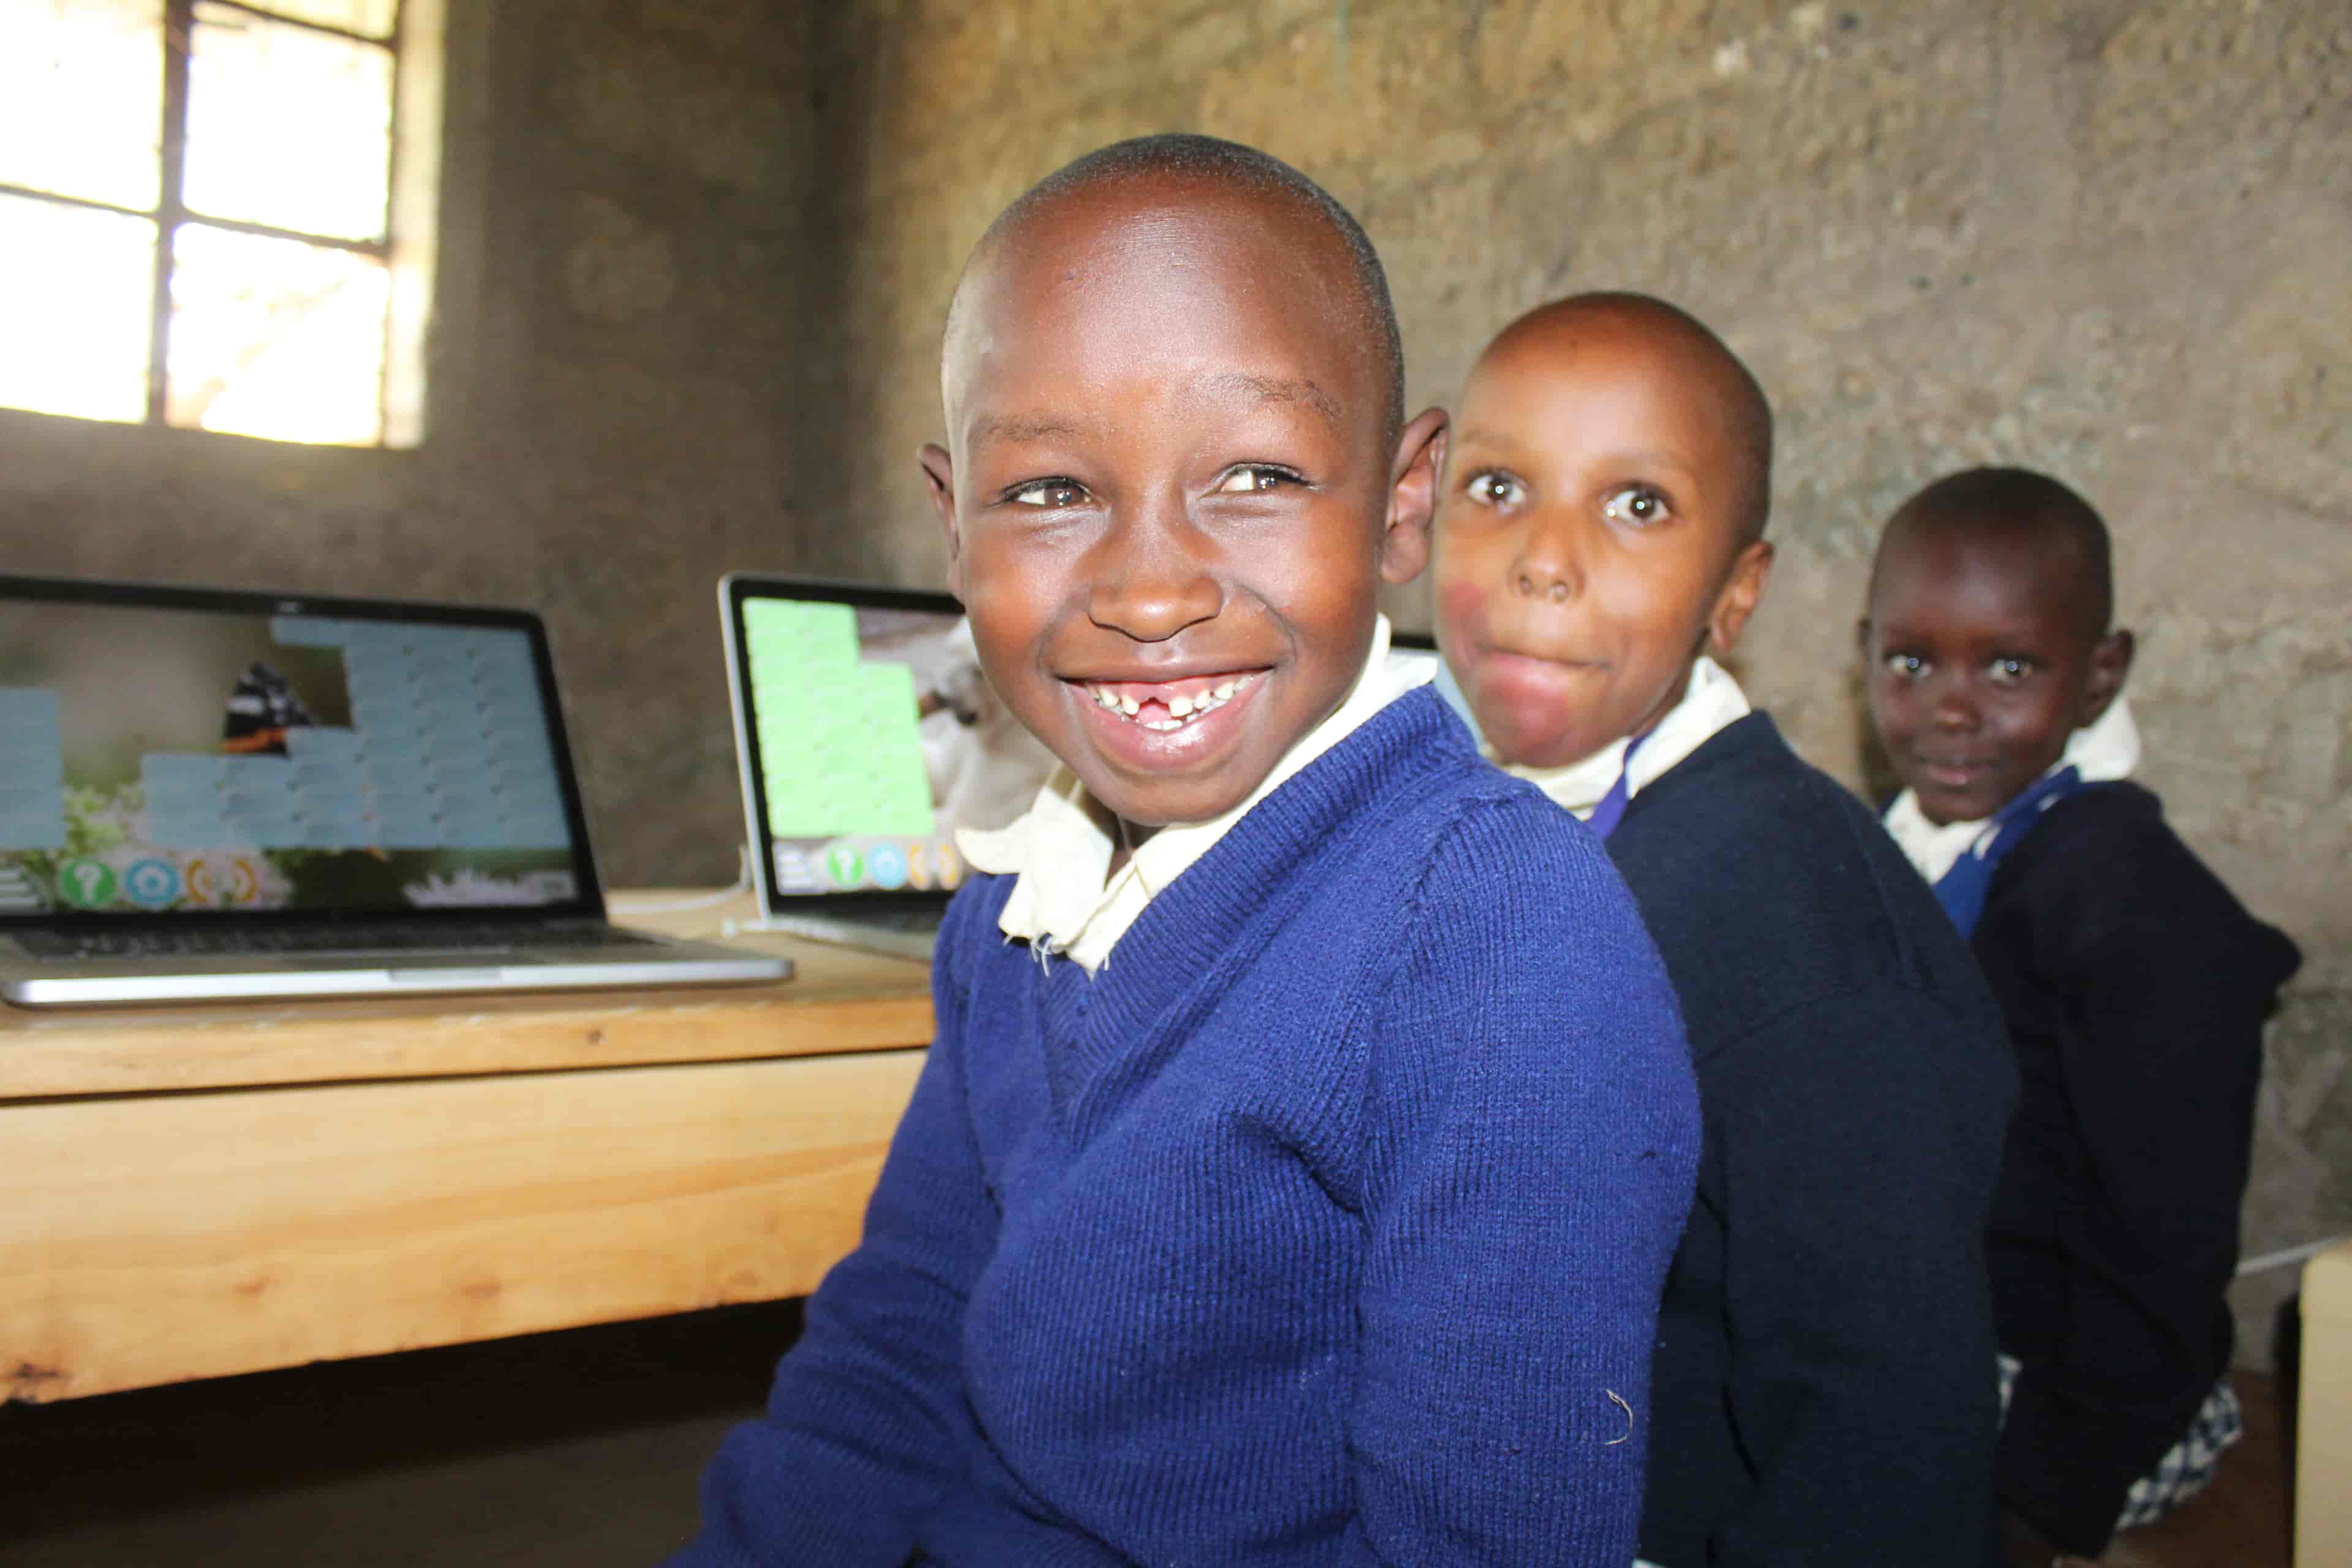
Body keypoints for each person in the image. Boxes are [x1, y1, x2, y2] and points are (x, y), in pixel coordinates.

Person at [668, 137, 1700, 1567]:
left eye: (1258, 472)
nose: (1150, 590)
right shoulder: (1018, 899)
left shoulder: (1496, 934)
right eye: (1046, 491)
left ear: (1402, 506)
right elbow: (899, 1336)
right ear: (951, 520)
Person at [1431, 292, 2018, 1568]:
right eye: (1496, 486)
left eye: (1636, 504)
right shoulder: (1493, 824)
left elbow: (1887, 1452)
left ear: (1735, 593)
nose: (1545, 556)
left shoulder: (1810, 944)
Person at [1862, 467, 2302, 1566]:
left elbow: (2161, 1255)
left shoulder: (2142, 923)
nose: (1953, 706)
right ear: (1865, 654)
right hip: (1945, 1323)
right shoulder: (1908, 841)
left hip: (2087, 1403)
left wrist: (2038, 1509)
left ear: (2100, 677)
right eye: (1911, 662)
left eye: (2010, 666)